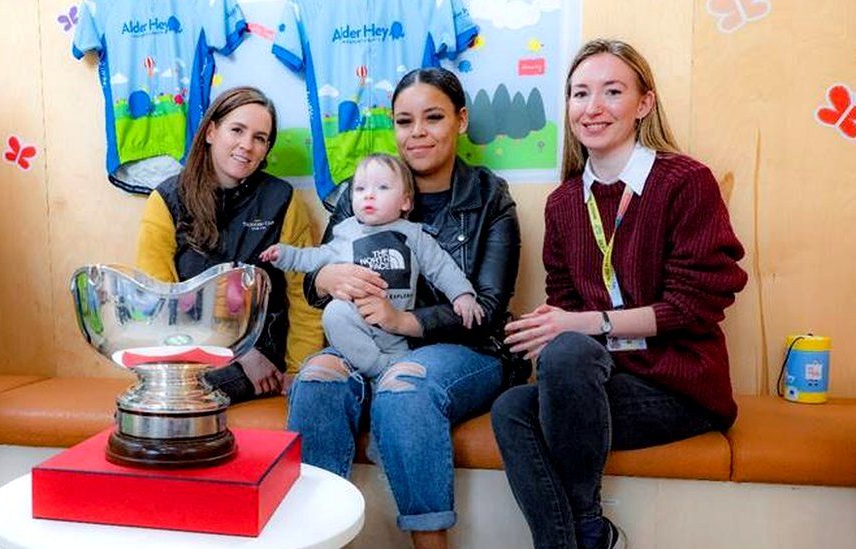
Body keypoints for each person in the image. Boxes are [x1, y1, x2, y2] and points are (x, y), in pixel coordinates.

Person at [490, 39, 748, 549]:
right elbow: (565, 302)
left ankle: (582, 528)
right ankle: (580, 537)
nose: (593, 108)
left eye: (612, 91)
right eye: (580, 93)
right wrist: (542, 327)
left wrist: (585, 324)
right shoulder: (564, 202)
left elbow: (697, 303)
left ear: (644, 104)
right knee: (510, 407)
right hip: (599, 381)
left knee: (567, 348)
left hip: (681, 388)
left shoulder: (685, 181)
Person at [287, 67, 522, 549]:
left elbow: (491, 306)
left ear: (460, 120)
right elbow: (319, 278)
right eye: (403, 121)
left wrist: (407, 321)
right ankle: (315, 538)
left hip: (465, 348)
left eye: (432, 117)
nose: (416, 133)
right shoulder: (361, 190)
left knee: (405, 383)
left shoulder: (488, 196)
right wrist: (324, 279)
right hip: (365, 340)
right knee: (317, 381)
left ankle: (430, 543)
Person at [135, 86, 323, 403]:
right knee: (159, 398)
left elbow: (303, 296)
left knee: (177, 400)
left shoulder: (283, 200)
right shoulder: (166, 200)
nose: (246, 146)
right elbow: (156, 301)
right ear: (211, 131)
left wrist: (299, 369)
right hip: (188, 355)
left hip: (264, 360)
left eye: (260, 138)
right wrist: (240, 356)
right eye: (237, 130)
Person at [260, 153, 483, 378]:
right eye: (360, 189)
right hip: (356, 320)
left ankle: (386, 374)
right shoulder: (346, 232)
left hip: (397, 328)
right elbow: (314, 258)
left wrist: (462, 295)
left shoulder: (413, 234)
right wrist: (284, 254)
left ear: (406, 201)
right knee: (333, 313)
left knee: (402, 368)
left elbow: (441, 267)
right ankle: (377, 369)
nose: (369, 195)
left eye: (383, 187)